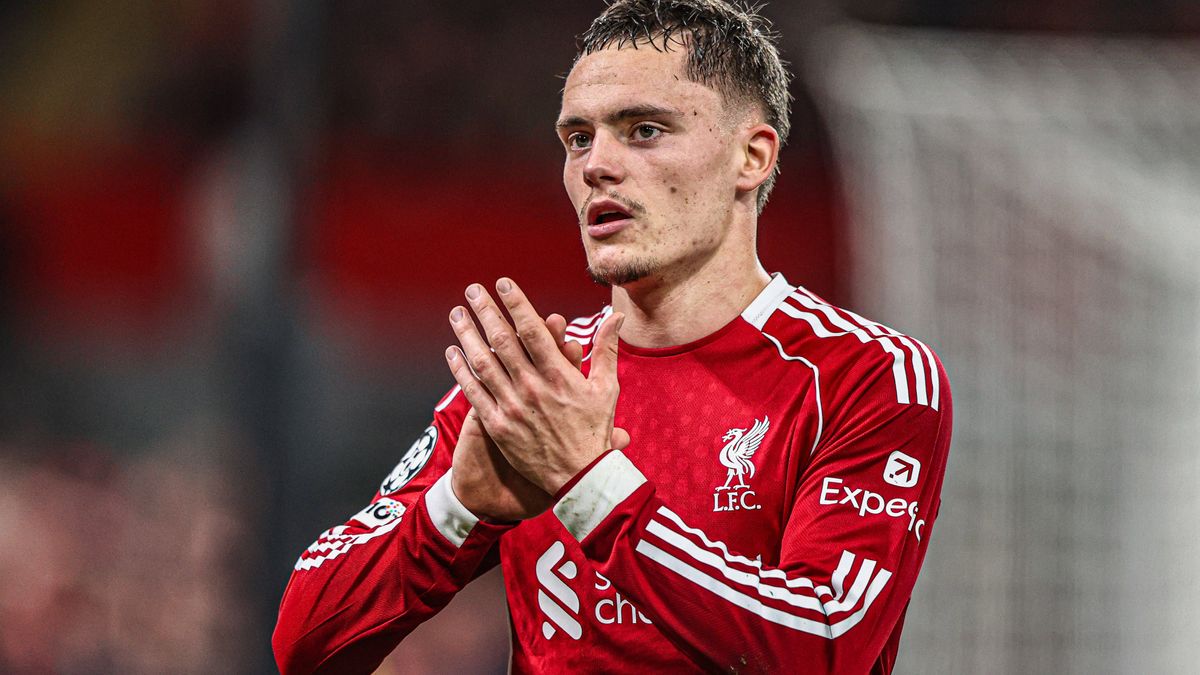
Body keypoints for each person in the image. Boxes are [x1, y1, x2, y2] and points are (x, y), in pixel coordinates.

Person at [273, 1, 952, 673]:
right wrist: (458, 508)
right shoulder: (536, 385)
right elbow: (306, 643)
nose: (597, 164)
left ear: (751, 156)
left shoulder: (864, 375)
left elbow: (823, 645)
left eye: (644, 130)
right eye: (578, 138)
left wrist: (590, 487)